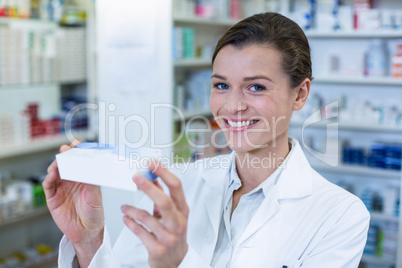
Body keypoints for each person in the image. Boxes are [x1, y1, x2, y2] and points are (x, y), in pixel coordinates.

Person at [44, 12, 370, 268]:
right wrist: (88, 241)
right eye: (221, 85)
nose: (232, 106)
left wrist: (179, 262)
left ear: (300, 94)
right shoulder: (179, 184)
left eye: (256, 87)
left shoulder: (340, 216)